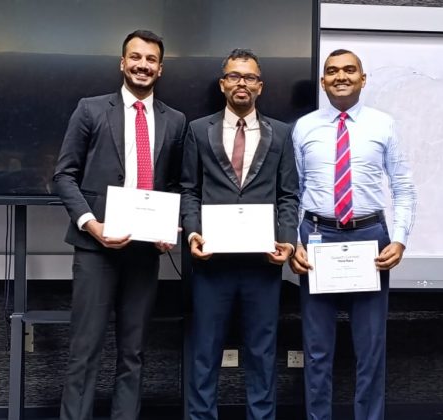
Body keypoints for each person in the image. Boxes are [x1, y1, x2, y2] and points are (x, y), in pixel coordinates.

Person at [52, 30, 186, 420]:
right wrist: (90, 224)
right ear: (122, 63)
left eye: (151, 59)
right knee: (84, 350)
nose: (143, 65)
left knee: (134, 351)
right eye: (136, 57)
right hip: (96, 248)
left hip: (145, 252)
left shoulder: (176, 121)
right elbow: (64, 176)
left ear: (160, 69)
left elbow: (177, 184)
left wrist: (169, 226)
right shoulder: (91, 110)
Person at [289, 49, 417, 420]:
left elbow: (403, 186)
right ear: (323, 81)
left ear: (363, 78)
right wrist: (294, 241)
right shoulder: (304, 127)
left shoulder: (383, 125)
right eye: (332, 71)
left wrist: (400, 238)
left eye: (349, 70)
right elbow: (293, 191)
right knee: (317, 350)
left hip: (370, 239)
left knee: (370, 348)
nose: (340, 76)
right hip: (317, 238)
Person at [180, 48, 299, 420]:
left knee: (262, 352)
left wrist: (288, 241)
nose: (241, 83)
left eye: (249, 77)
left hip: (263, 264)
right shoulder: (198, 130)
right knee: (204, 351)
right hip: (211, 263)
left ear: (260, 86)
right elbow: (189, 190)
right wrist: (192, 233)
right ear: (222, 84)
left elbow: (288, 194)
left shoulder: (281, 133)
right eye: (234, 76)